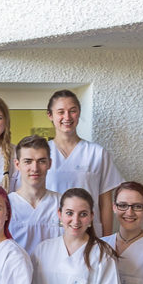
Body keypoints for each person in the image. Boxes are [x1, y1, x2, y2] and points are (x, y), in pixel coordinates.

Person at [45, 90, 124, 236]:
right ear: (50, 115)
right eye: (60, 112)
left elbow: (105, 203)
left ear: (79, 113)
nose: (67, 117)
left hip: (90, 233)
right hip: (52, 232)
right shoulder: (42, 153)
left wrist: (106, 241)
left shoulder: (96, 153)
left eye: (72, 111)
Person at [8, 135, 62, 254]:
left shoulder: (61, 203)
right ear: (17, 165)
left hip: (56, 271)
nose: (35, 168)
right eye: (28, 162)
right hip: (18, 271)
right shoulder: (7, 205)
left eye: (41, 161)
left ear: (49, 164)